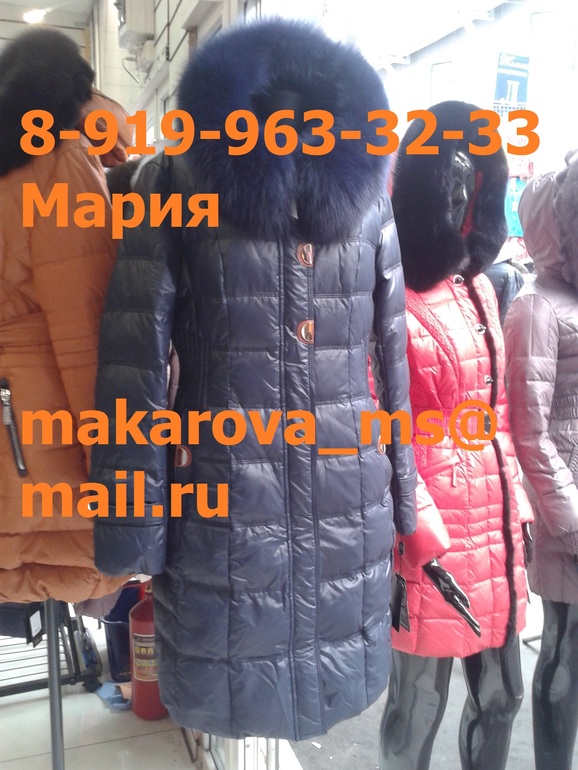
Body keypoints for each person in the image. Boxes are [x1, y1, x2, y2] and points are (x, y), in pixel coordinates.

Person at [89, 18, 417, 740]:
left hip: (347, 499)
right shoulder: (175, 180)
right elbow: (133, 360)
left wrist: (406, 500)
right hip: (224, 500)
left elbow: (392, 356)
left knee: (330, 675)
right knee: (231, 677)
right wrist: (133, 530)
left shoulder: (371, 199)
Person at [378, 100, 533, 770]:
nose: (466, 194)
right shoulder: (390, 292)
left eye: (479, 179)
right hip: (431, 538)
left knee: (502, 696)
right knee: (418, 706)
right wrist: (419, 538)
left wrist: (519, 510)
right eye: (454, 176)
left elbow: (497, 413)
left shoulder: (481, 291)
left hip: (494, 526)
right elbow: (379, 427)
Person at [0, 28, 128, 603]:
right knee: (96, 562)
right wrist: (117, 464)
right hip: (44, 429)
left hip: (17, 432)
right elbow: (88, 333)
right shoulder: (58, 164)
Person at [504, 152, 578, 770]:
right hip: (567, 518)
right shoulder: (537, 307)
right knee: (564, 647)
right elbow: (529, 432)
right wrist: (572, 523)